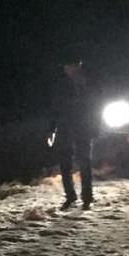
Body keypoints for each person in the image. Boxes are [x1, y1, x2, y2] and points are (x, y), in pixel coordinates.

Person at [47, 58, 99, 209]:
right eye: (66, 66)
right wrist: (51, 129)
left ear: (78, 66)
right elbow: (55, 107)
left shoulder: (90, 82)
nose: (68, 69)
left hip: (84, 127)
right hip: (65, 127)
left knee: (84, 162)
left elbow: (96, 105)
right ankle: (70, 196)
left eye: (70, 66)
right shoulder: (61, 85)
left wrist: (95, 126)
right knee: (65, 163)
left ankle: (87, 197)